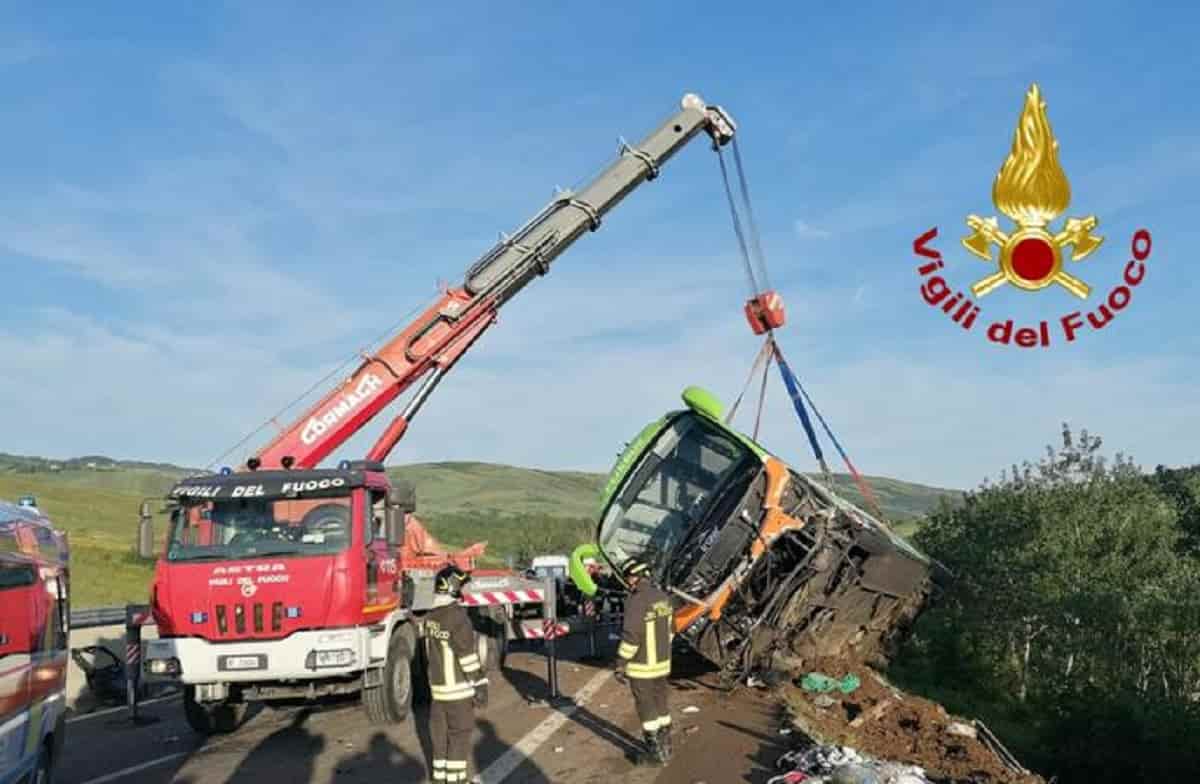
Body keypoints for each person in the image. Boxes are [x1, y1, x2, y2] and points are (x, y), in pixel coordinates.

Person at [424, 563, 488, 784]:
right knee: (459, 736)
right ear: (453, 588)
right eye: (462, 586)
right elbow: (466, 656)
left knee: (440, 739)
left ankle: (440, 779)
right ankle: (457, 781)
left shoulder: (432, 617)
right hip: (458, 692)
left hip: (438, 691)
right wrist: (479, 683)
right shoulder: (457, 617)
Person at [613, 556, 673, 765]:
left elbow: (631, 636)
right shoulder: (663, 597)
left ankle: (654, 754)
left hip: (642, 666)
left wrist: (620, 663)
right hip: (663, 664)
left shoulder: (636, 600)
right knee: (661, 702)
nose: (628, 582)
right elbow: (671, 630)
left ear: (635, 577)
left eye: (628, 578)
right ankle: (666, 746)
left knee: (646, 705)